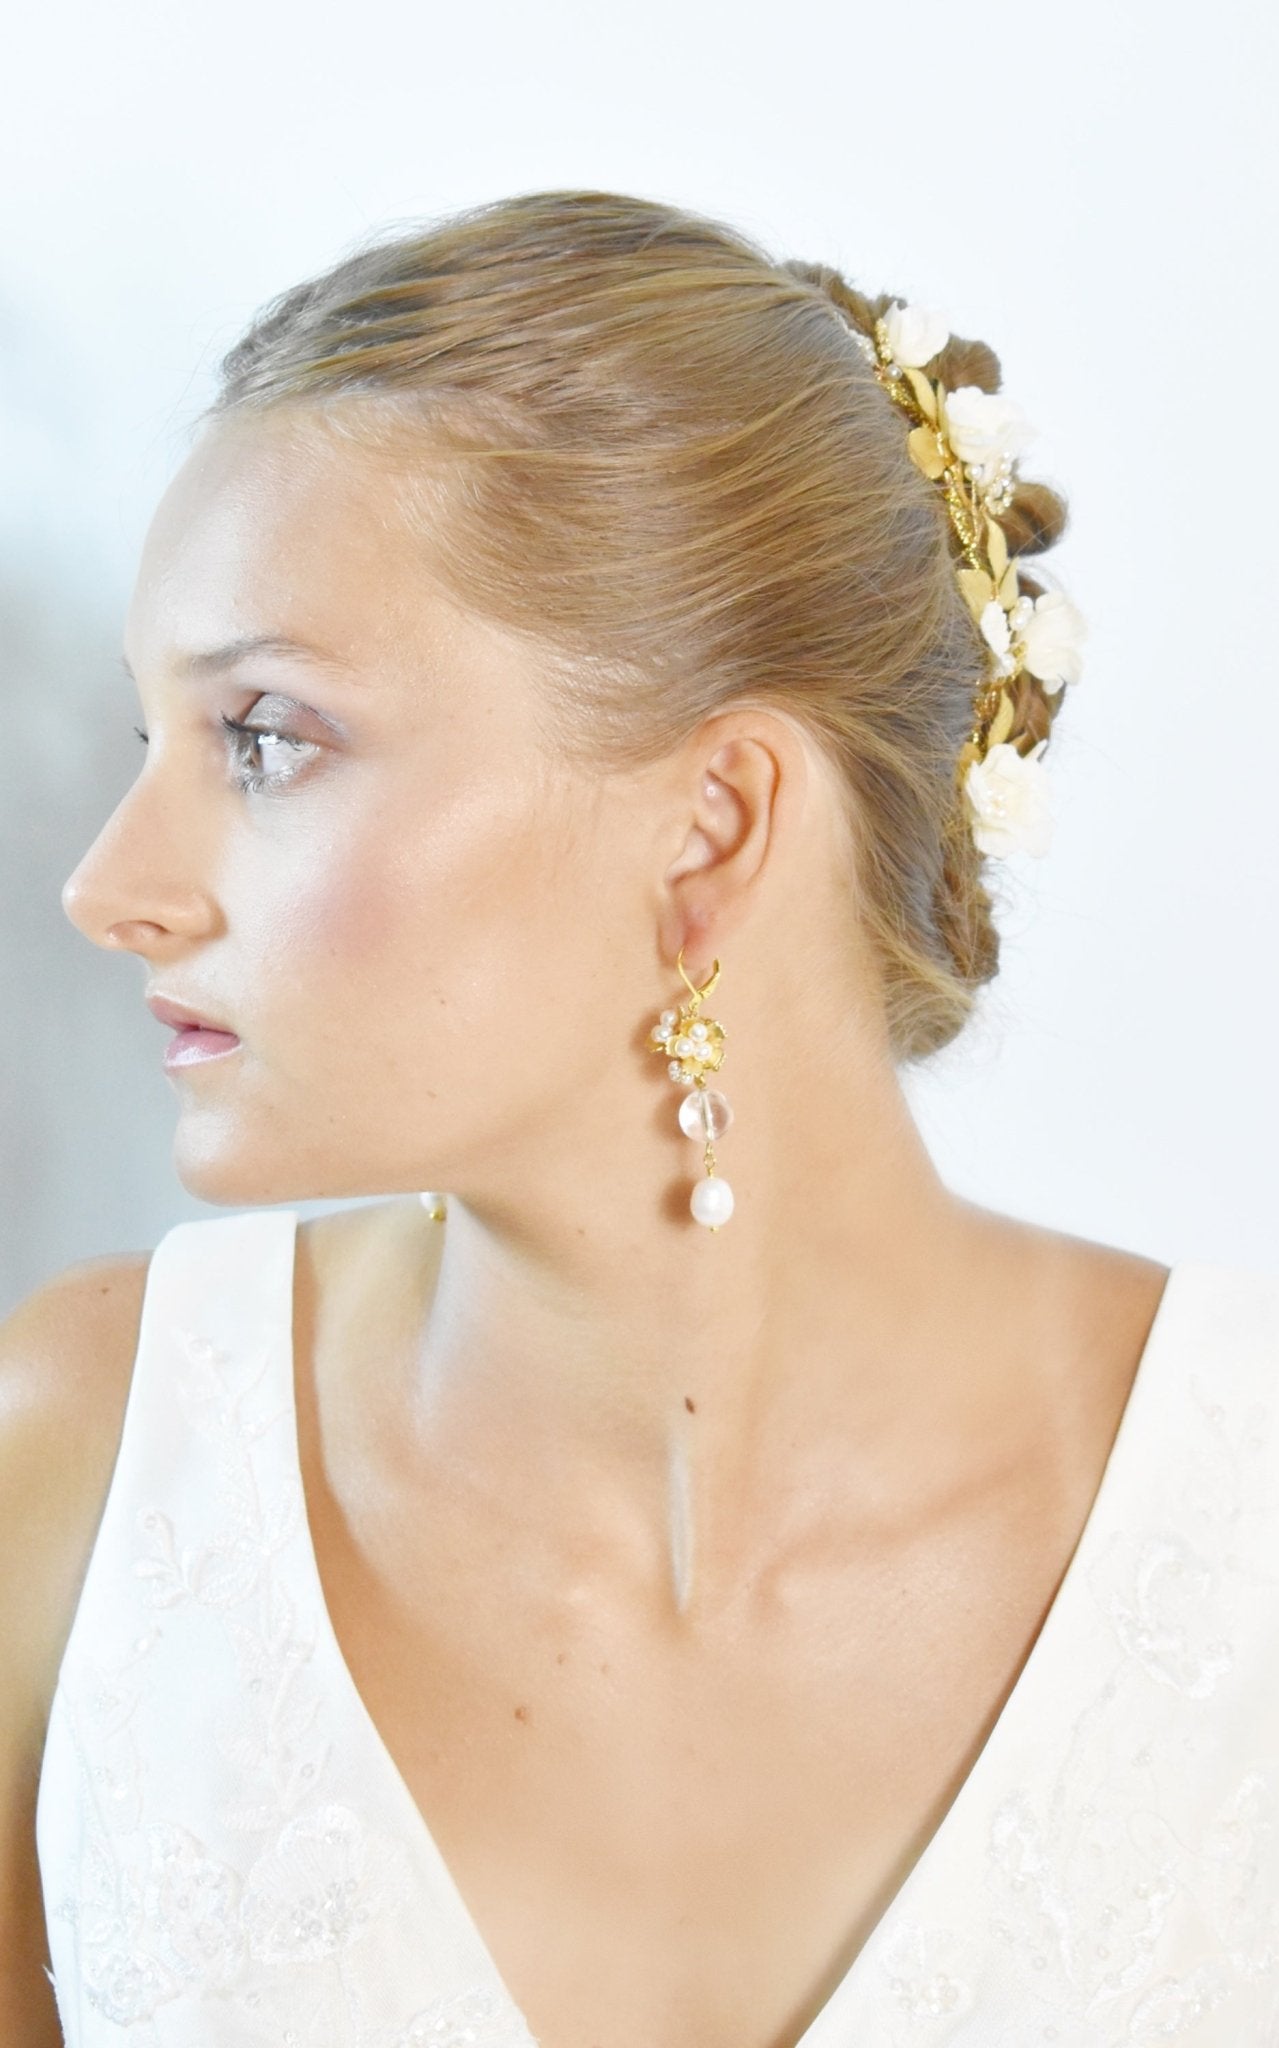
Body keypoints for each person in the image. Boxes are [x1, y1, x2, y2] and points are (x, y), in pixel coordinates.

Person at [2, 189, 1275, 2047]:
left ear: (714, 831)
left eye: (265, 738)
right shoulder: (78, 1469)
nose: (111, 888)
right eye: (151, 742)